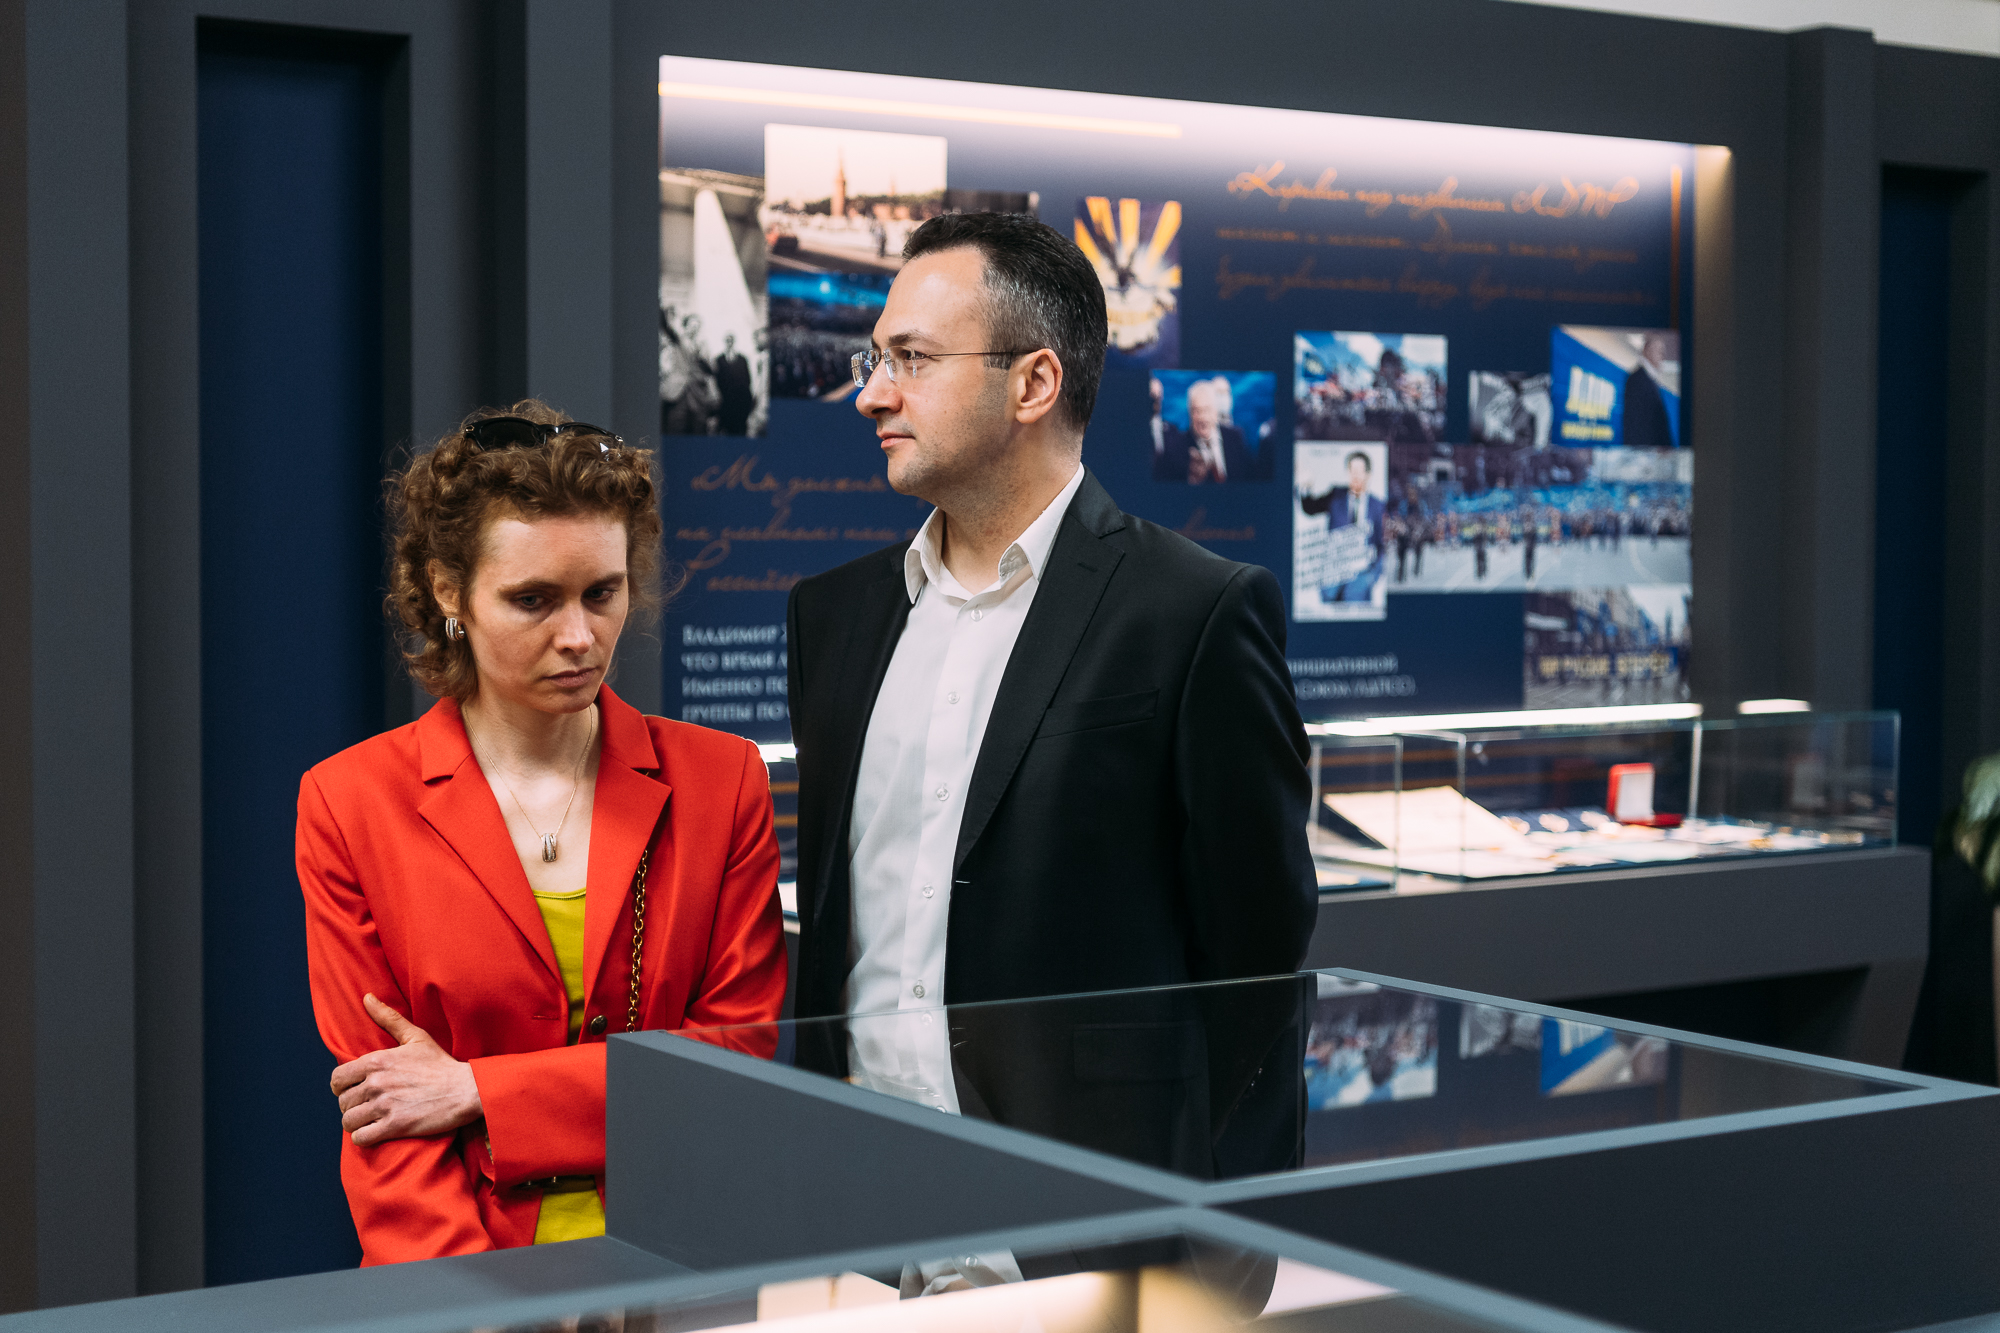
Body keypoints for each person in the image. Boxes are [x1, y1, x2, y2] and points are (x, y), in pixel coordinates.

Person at [785, 213, 1314, 1169]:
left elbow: (1258, 949)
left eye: (912, 359)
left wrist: (1194, 1200)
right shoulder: (833, 617)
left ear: (1033, 383)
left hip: (1086, 1196)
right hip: (861, 1182)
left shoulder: (1193, 612)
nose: (872, 394)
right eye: (876, 358)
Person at [299, 402, 786, 1265]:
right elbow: (387, 1114)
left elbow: (734, 1064)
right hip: (461, 1277)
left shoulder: (722, 780)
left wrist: (477, 1088)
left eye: (602, 592)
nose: (579, 637)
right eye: (532, 600)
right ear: (448, 591)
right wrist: (492, 1309)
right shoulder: (351, 802)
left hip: (680, 1259)